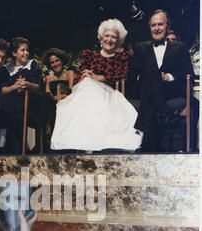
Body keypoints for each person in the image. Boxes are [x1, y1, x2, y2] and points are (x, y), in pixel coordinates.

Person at [50, 19, 142, 152]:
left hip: (110, 93)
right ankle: (84, 142)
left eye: (113, 36)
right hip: (86, 92)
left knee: (91, 89)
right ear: (101, 37)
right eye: (107, 35)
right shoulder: (89, 56)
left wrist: (100, 78)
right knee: (87, 85)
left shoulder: (123, 57)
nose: (109, 39)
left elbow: (125, 76)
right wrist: (84, 76)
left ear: (118, 40)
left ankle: (91, 144)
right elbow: (77, 80)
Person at [130, 9, 195, 152]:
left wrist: (169, 77)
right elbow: (132, 74)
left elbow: (188, 73)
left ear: (167, 26)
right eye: (153, 25)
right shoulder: (141, 48)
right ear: (149, 28)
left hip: (170, 91)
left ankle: (143, 136)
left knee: (153, 82)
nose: (157, 28)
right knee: (152, 73)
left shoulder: (180, 47)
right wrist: (149, 76)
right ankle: (163, 111)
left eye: (160, 24)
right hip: (147, 90)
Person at [0, 37, 44, 154]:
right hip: (10, 98)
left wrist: (27, 84)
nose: (26, 53)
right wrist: (14, 87)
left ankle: (1, 138)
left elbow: (38, 86)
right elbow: (3, 89)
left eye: (27, 50)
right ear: (14, 53)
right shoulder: (7, 69)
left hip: (28, 99)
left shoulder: (32, 64)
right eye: (23, 50)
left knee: (5, 100)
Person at [42, 48, 75, 145]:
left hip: (67, 102)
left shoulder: (69, 73)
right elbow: (48, 93)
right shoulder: (48, 78)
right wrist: (52, 97)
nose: (55, 64)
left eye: (57, 60)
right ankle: (48, 138)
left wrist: (59, 97)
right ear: (49, 65)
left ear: (62, 60)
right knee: (48, 104)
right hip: (52, 103)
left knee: (56, 107)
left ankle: (49, 133)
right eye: (52, 62)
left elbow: (71, 91)